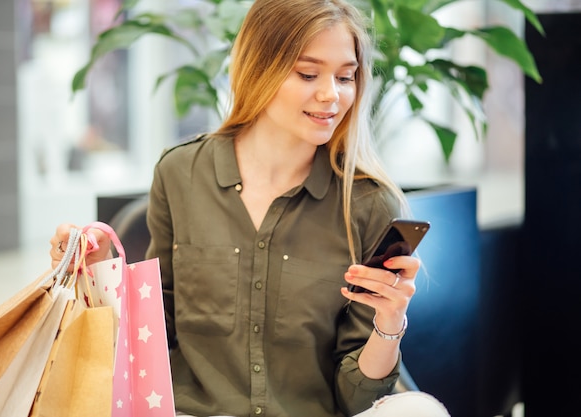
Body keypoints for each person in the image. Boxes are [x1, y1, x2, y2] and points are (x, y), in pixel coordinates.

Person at [50, 0, 450, 416]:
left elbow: (360, 400)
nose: (331, 94)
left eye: (346, 76)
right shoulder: (181, 173)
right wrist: (96, 271)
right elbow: (152, 339)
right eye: (308, 73)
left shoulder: (368, 203)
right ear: (259, 68)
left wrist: (389, 323)